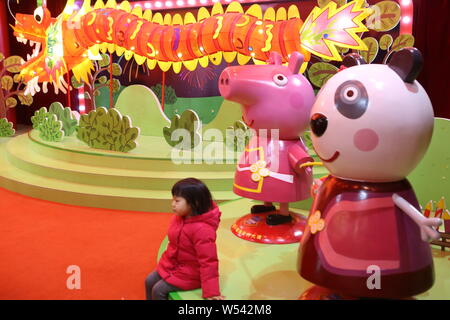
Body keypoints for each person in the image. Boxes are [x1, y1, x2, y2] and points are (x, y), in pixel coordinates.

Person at [145, 178, 224, 300]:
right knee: (149, 281)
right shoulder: (179, 218)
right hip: (174, 266)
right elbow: (173, 246)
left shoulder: (202, 230)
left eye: (177, 201)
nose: (173, 204)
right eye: (173, 200)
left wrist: (211, 291)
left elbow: (209, 262)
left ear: (195, 203)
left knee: (158, 290)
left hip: (191, 274)